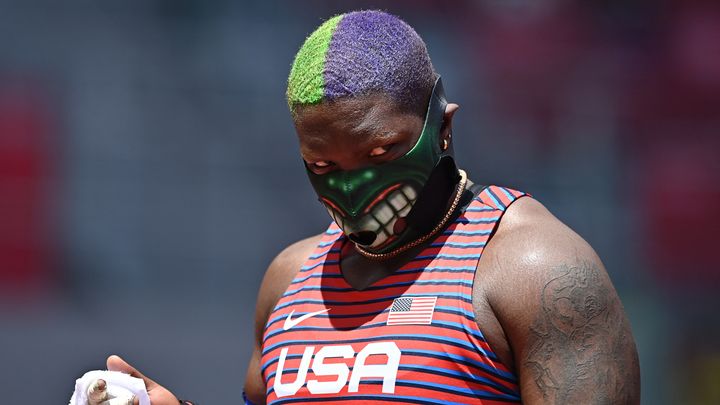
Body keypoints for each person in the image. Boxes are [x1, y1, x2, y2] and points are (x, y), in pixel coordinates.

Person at [94, 10, 640, 405]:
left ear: (443, 128)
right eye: (325, 166)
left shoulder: (535, 270)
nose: (356, 188)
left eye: (381, 153)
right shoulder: (288, 280)